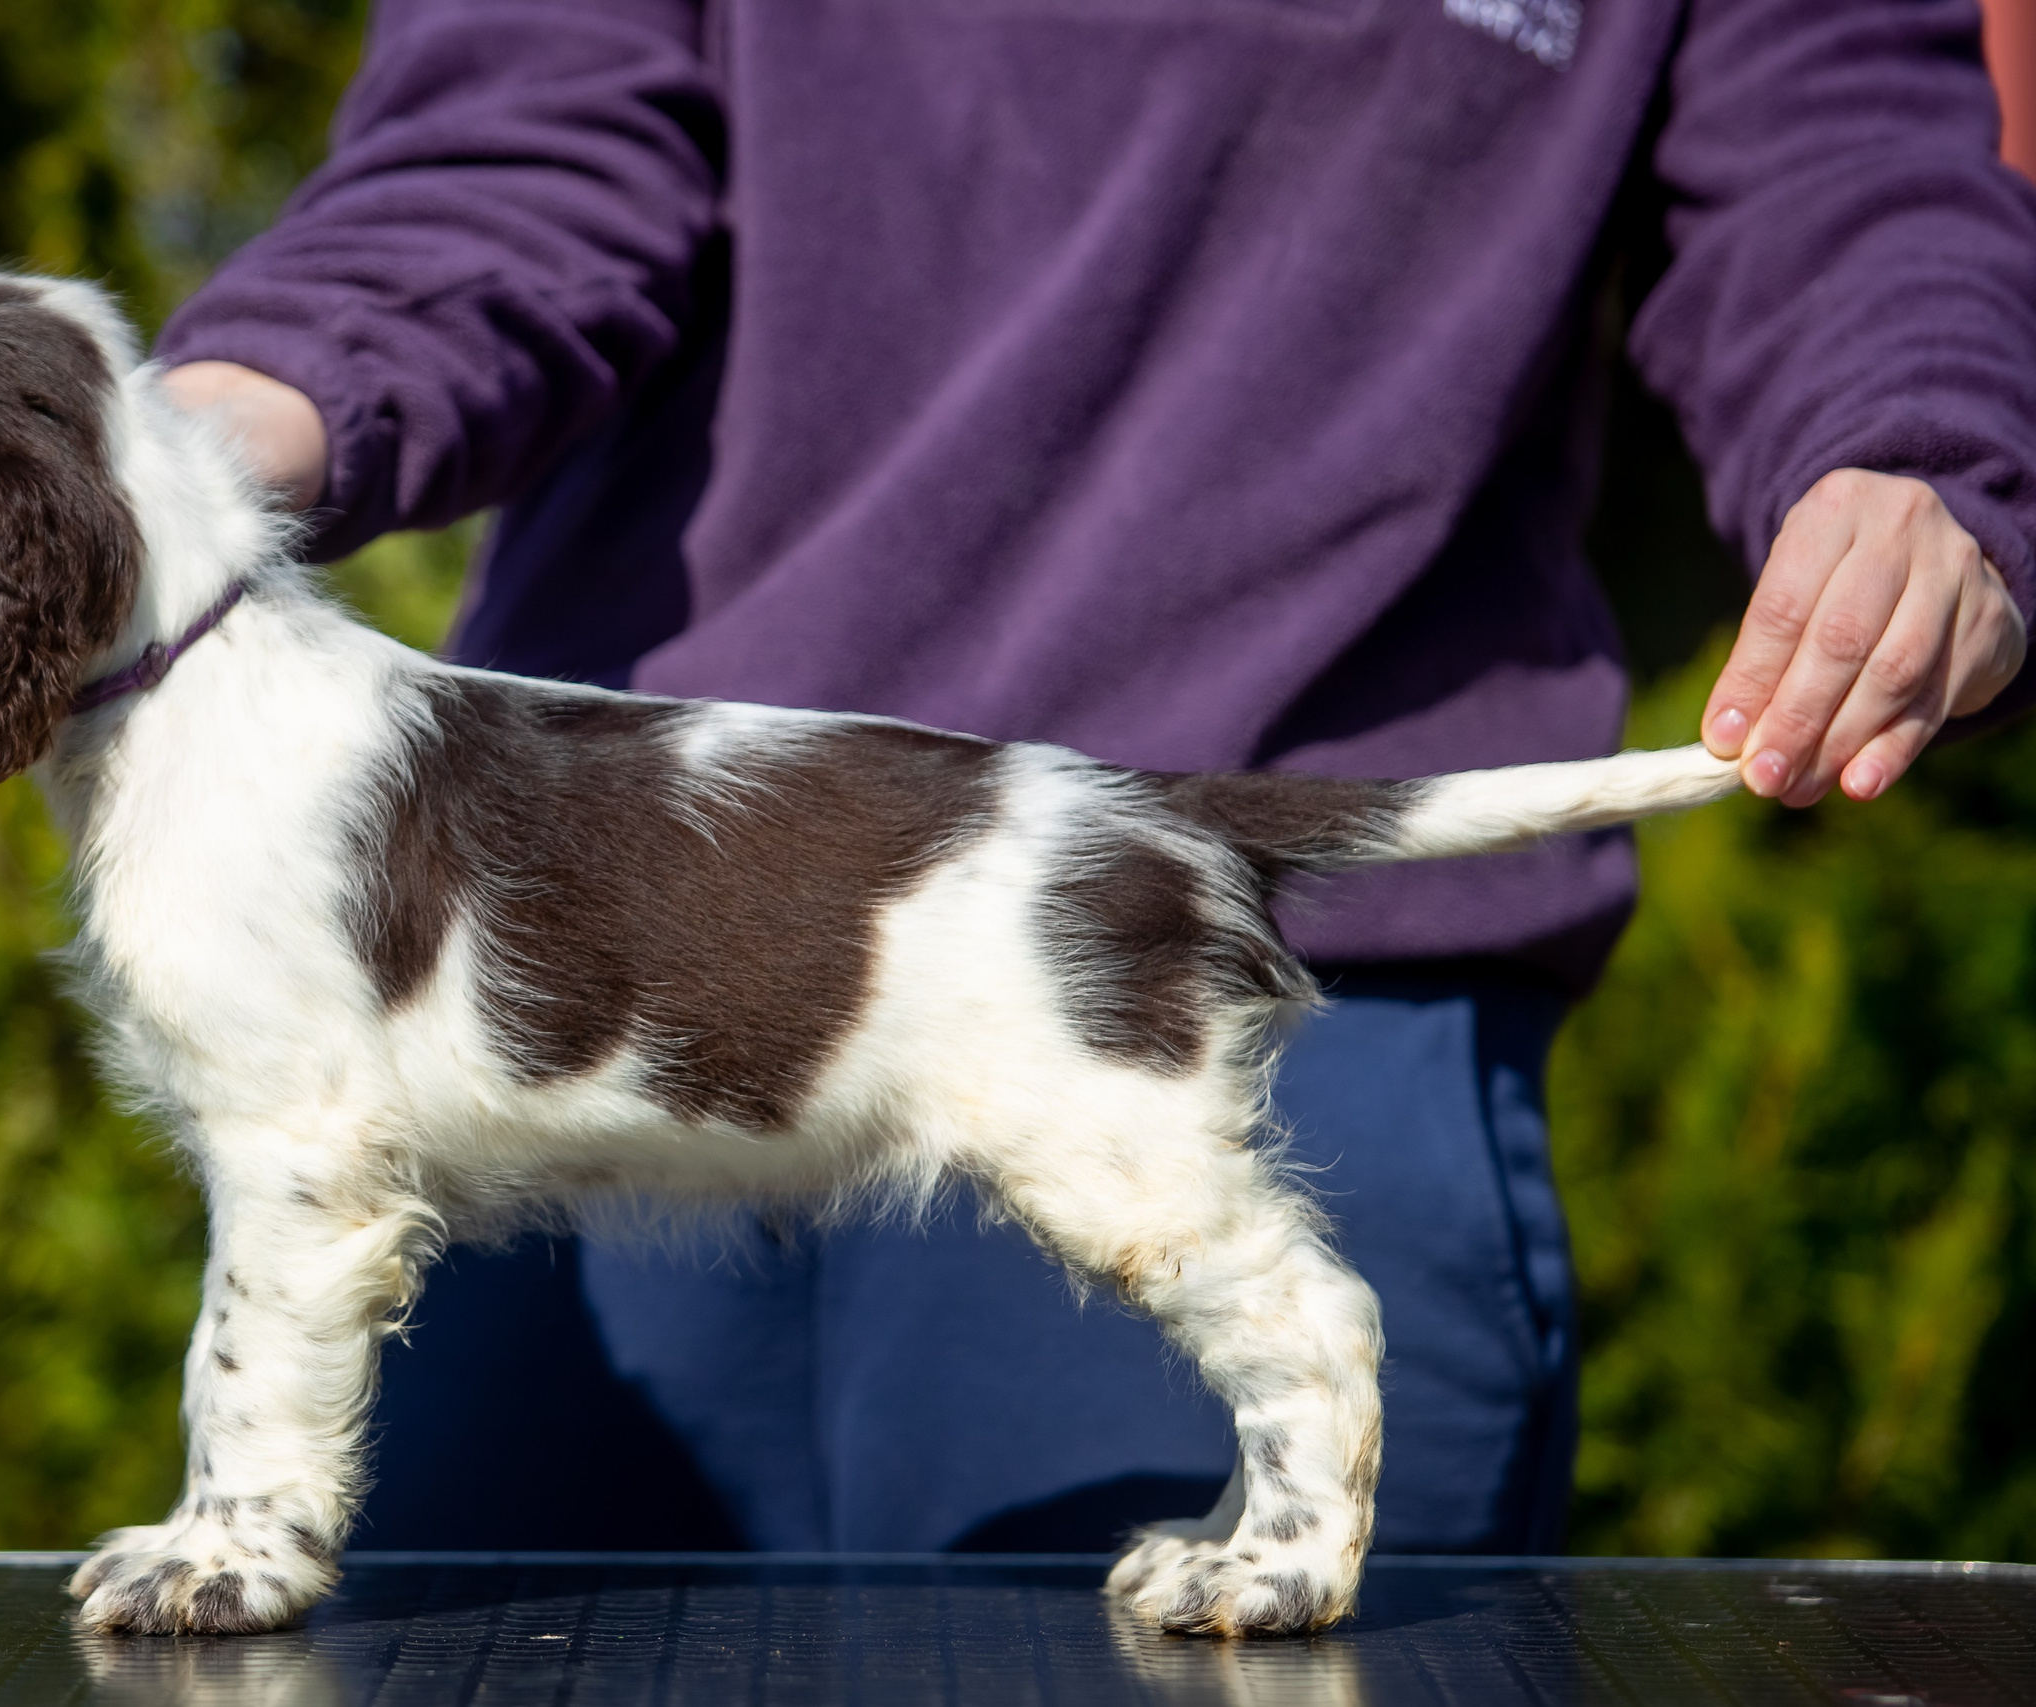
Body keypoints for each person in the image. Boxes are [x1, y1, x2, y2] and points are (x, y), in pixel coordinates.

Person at [147, 0, 2032, 1554]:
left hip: (1239, 932)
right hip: (589, 955)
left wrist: (1930, 451)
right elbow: (517, 143)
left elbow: (1854, 176)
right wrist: (216, 431)